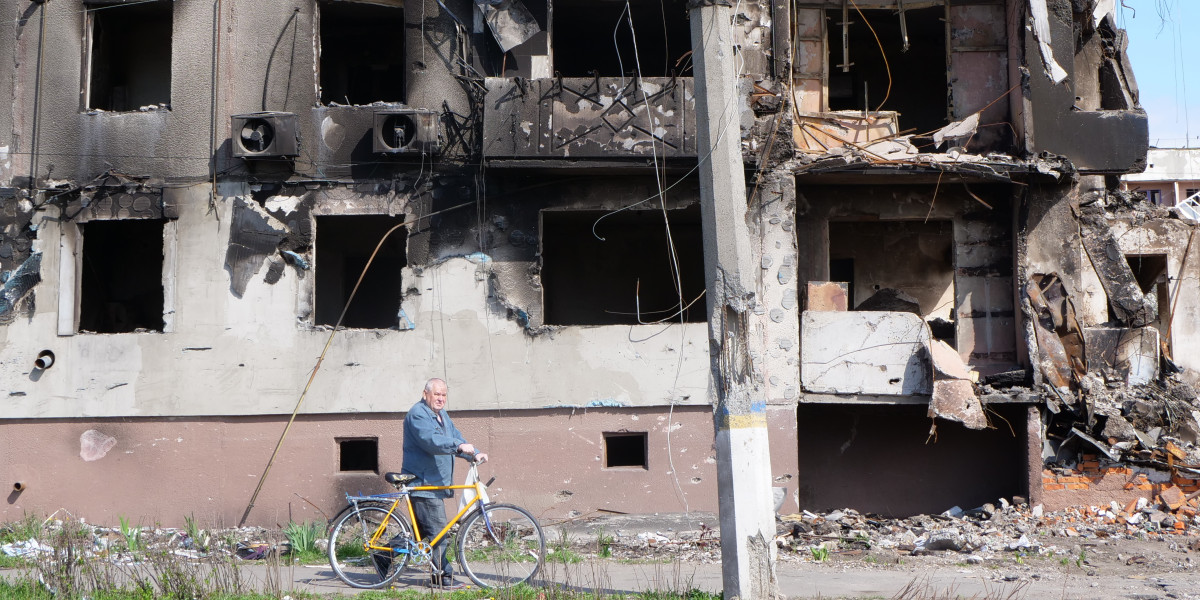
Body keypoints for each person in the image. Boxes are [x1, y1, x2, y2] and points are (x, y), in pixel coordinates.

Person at [401, 378, 487, 589]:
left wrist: (473, 453)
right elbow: (432, 441)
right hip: (424, 482)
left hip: (434, 481)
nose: (440, 398)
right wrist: (459, 446)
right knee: (439, 530)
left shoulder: (441, 415)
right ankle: (441, 576)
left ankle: (382, 556)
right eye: (436, 394)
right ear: (425, 394)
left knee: (421, 533)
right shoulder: (418, 414)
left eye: (444, 395)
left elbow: (455, 437)